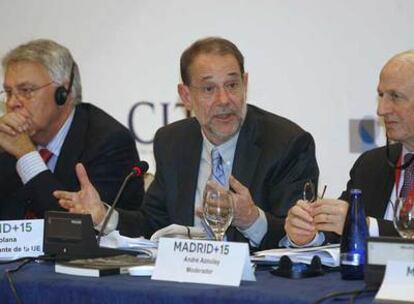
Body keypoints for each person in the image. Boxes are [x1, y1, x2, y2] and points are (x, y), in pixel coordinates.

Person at [55, 37, 319, 249]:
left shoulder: (287, 143)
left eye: (232, 84)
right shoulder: (173, 141)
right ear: (186, 96)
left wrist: (251, 219)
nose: (224, 99)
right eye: (208, 89)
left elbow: (297, 240)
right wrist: (105, 216)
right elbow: (152, 223)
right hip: (183, 278)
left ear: (245, 84)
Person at [0, 39, 144, 219]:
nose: (12, 103)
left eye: (26, 90)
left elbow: (79, 228)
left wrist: (26, 155)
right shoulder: (8, 140)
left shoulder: (108, 142)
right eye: (8, 92)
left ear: (63, 92)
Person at [284, 50, 414, 246]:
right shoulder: (371, 164)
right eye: (381, 95)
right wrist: (309, 233)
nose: (382, 109)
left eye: (395, 96)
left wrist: (363, 225)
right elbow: (337, 230)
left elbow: (353, 223)